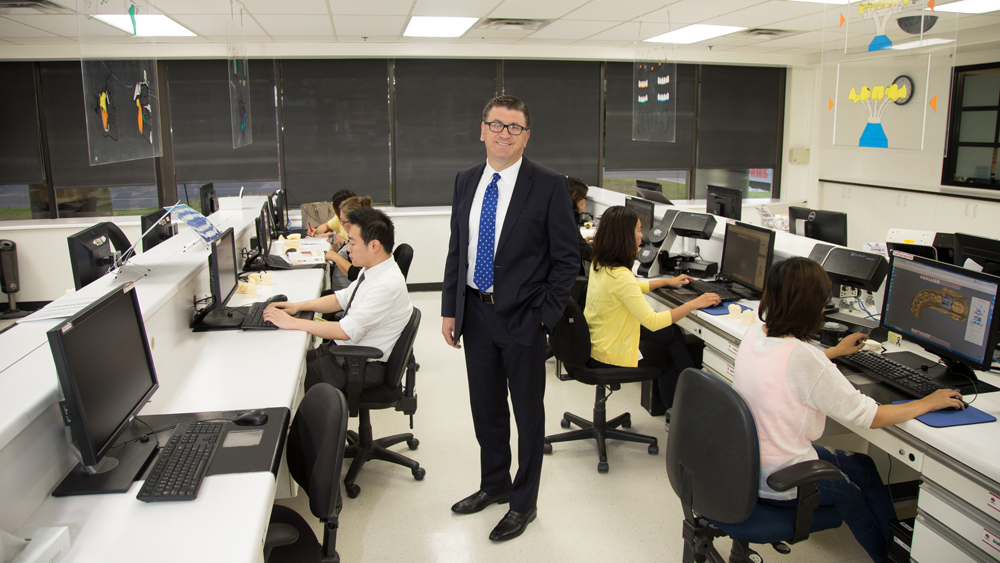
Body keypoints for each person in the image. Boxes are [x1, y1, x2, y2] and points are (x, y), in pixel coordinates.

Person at [733, 256, 964, 563]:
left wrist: (832, 353)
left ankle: (895, 553)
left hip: (751, 463)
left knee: (865, 468)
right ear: (816, 307)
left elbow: (788, 365)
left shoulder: (756, 334)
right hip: (781, 480)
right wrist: (928, 402)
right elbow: (872, 416)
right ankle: (888, 557)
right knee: (853, 497)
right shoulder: (806, 360)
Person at [441, 95, 579, 542]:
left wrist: (545, 317)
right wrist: (449, 308)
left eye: (514, 127)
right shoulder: (465, 181)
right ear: (481, 130)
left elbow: (567, 259)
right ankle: (494, 484)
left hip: (524, 320)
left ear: (526, 136)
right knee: (487, 411)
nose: (504, 133)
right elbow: (457, 250)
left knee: (528, 417)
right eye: (496, 125)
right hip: (475, 315)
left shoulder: (549, 184)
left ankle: (524, 503)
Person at [584, 205, 719, 425]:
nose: (642, 235)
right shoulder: (621, 275)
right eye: (638, 230)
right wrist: (695, 303)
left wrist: (666, 281)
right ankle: (679, 416)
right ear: (625, 236)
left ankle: (688, 402)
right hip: (611, 353)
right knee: (666, 357)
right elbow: (653, 322)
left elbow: (630, 288)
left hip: (600, 339)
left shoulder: (601, 263)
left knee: (672, 333)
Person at [264, 207, 412, 392]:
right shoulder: (372, 269)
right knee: (287, 360)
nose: (348, 249)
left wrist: (292, 323)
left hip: (359, 364)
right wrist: (297, 307)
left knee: (288, 380)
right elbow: (340, 299)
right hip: (345, 352)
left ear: (374, 246)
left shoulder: (385, 285)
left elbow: (344, 331)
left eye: (352, 243)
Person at [325, 195, 371, 292]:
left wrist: (335, 257)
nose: (342, 225)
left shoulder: (364, 240)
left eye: (343, 222)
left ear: (354, 220)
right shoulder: (357, 236)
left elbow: (357, 275)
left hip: (347, 294)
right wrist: (336, 248)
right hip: (343, 293)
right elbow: (350, 258)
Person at [567, 177, 593, 275]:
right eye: (584, 198)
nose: (585, 202)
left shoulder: (561, 216)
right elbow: (587, 253)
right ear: (574, 200)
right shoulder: (567, 221)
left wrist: (581, 243)